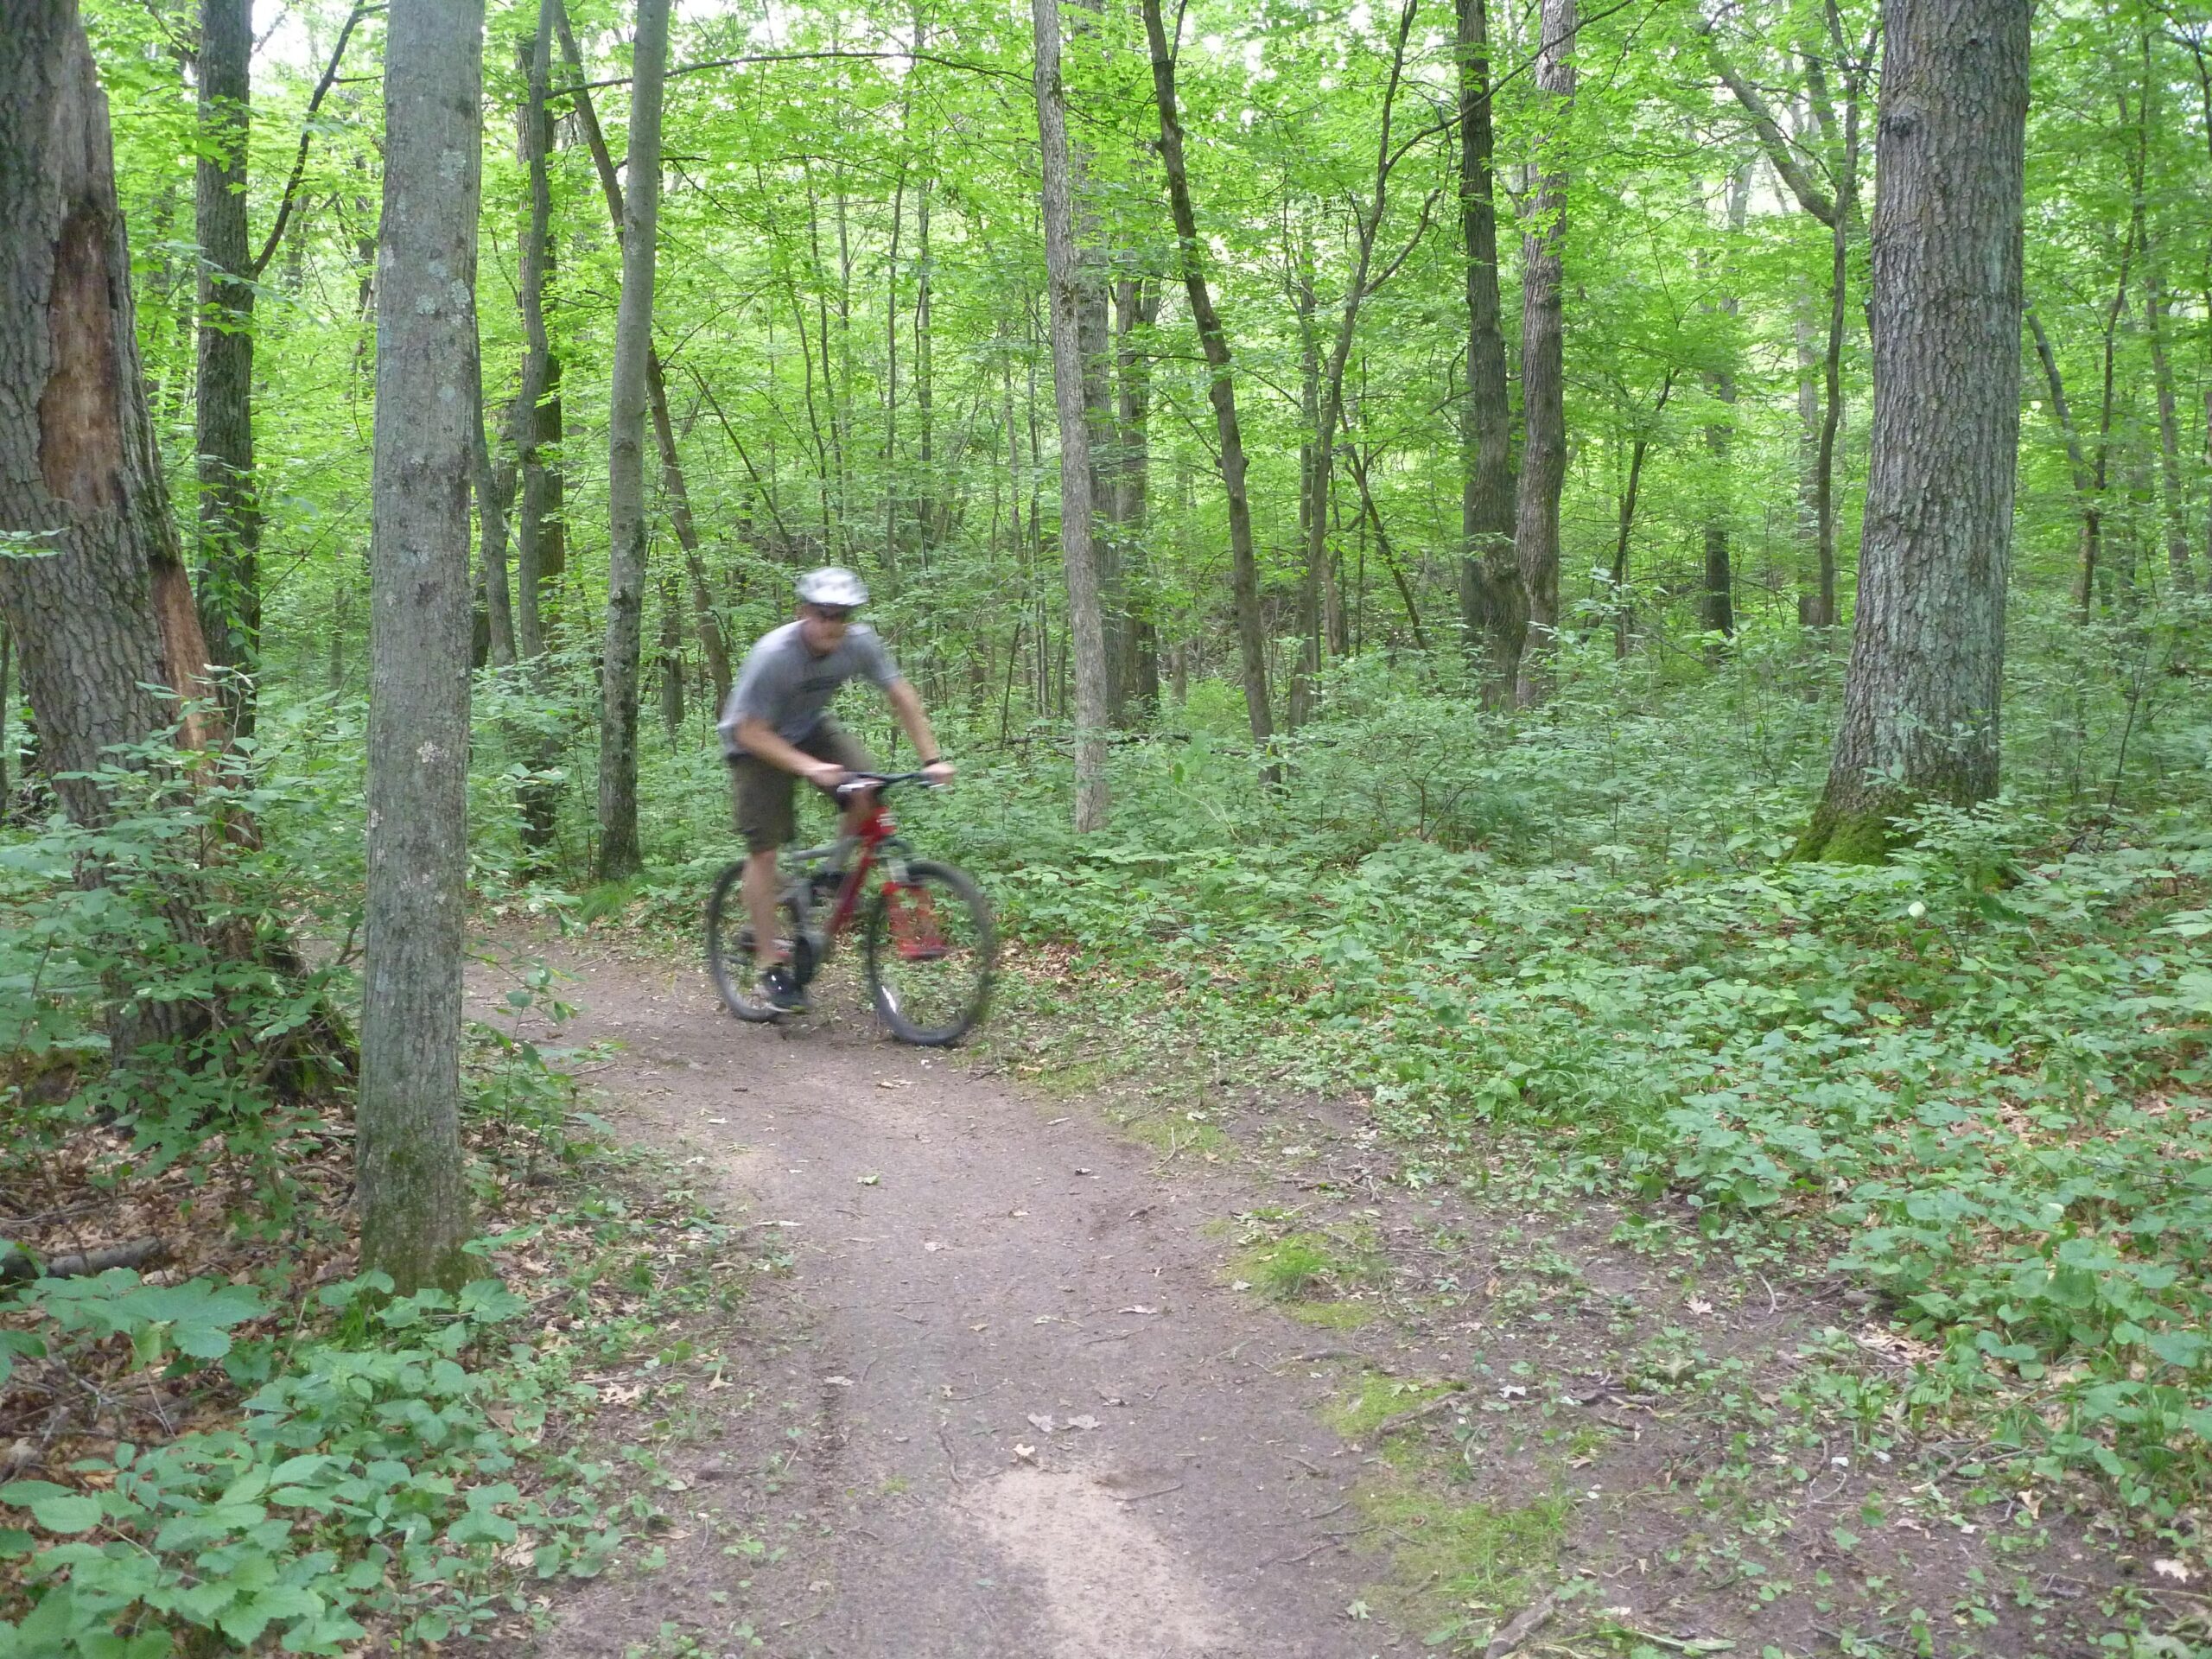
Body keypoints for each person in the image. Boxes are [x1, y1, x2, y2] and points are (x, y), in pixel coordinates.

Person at [718, 567, 954, 1011]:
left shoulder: (858, 643)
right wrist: (810, 768)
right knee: (764, 851)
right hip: (753, 743)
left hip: (808, 729)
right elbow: (749, 731)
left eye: (841, 615)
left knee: (868, 787)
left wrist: (931, 759)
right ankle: (769, 965)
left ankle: (828, 878)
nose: (832, 624)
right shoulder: (775, 655)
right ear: (803, 612)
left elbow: (901, 694)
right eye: (823, 614)